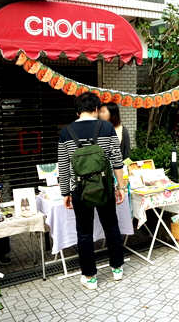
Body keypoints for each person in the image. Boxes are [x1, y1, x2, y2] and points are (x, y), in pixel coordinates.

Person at [58, 92, 125, 290]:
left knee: (84, 233)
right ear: (96, 109)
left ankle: (90, 278)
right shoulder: (106, 127)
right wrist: (120, 187)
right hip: (104, 188)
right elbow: (116, 159)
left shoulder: (66, 132)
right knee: (111, 227)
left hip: (79, 190)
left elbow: (63, 166)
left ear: (77, 111)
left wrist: (65, 193)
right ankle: (117, 269)